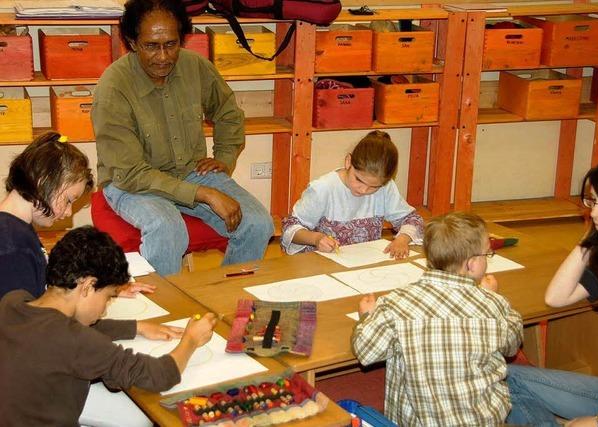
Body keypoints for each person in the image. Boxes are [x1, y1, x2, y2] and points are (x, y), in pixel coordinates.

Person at [91, 0, 274, 276]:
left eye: (171, 44)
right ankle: (166, 311)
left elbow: (228, 112)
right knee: (168, 229)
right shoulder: (113, 86)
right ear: (132, 42)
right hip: (130, 183)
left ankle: (226, 299)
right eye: (152, 46)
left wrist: (224, 158)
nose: (163, 56)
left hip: (190, 172)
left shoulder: (195, 66)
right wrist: (204, 193)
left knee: (259, 223)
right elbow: (130, 173)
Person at [0, 226, 217, 426]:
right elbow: (159, 375)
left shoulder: (14, 302)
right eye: (108, 297)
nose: (104, 309)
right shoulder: (75, 342)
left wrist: (136, 327)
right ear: (88, 286)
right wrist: (191, 339)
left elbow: (66, 330)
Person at [351, 212, 523, 426]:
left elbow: (366, 351)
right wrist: (494, 297)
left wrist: (368, 317)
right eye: (487, 254)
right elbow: (512, 345)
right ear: (471, 264)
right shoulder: (492, 304)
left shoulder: (396, 303)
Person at [507, 153, 598, 427]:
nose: (594, 213)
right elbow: (557, 297)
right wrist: (590, 239)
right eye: (594, 202)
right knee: (500, 377)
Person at [0, 131, 152, 299]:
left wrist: (107, 289)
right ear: (43, 181)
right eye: (68, 200)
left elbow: (47, 287)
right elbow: (23, 320)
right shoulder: (11, 247)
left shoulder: (17, 229)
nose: (68, 212)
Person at [281, 130, 423, 258]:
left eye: (373, 187)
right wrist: (316, 238)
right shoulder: (323, 188)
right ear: (349, 162)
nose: (363, 190)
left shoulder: (385, 188)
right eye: (359, 180)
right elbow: (290, 228)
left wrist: (402, 238)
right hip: (322, 264)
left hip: (363, 264)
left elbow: (411, 219)